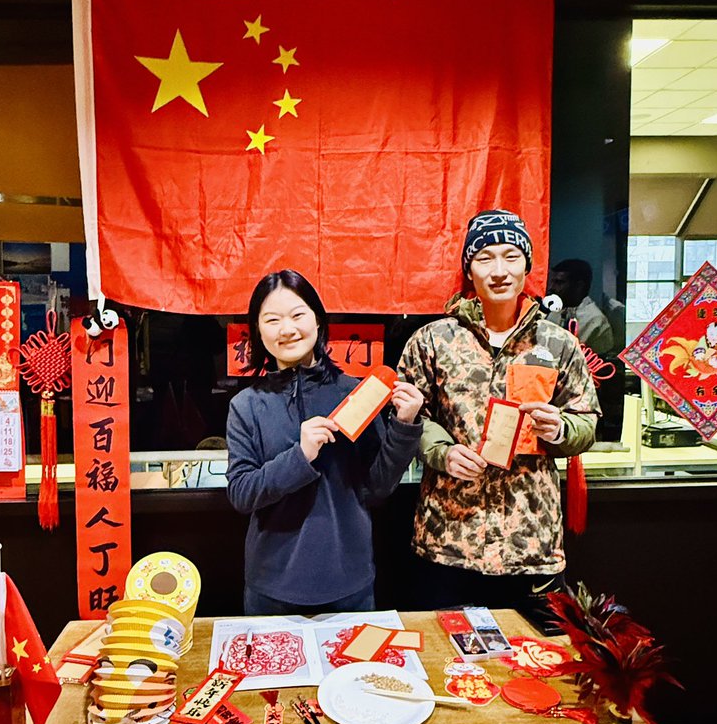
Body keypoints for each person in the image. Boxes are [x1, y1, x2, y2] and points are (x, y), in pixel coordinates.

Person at [397, 209, 600, 621]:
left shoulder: (557, 343)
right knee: (445, 668)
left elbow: (587, 420)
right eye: (485, 257)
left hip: (530, 545)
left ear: (527, 265)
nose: (499, 270)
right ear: (468, 269)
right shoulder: (433, 341)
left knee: (534, 666)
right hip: (447, 539)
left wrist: (560, 427)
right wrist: (441, 451)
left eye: (511, 256)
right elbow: (405, 416)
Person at [226, 269, 424, 616]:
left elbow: (377, 487)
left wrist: (404, 426)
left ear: (318, 321)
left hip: (349, 581)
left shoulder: (354, 392)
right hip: (272, 585)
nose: (287, 329)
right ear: (258, 331)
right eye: (272, 319)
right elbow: (242, 494)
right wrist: (299, 456)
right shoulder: (247, 405)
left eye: (298, 315)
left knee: (355, 672)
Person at [547, 258, 615, 356]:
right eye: (552, 282)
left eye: (559, 283)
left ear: (579, 286)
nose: (551, 288)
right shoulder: (553, 312)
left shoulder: (596, 321)